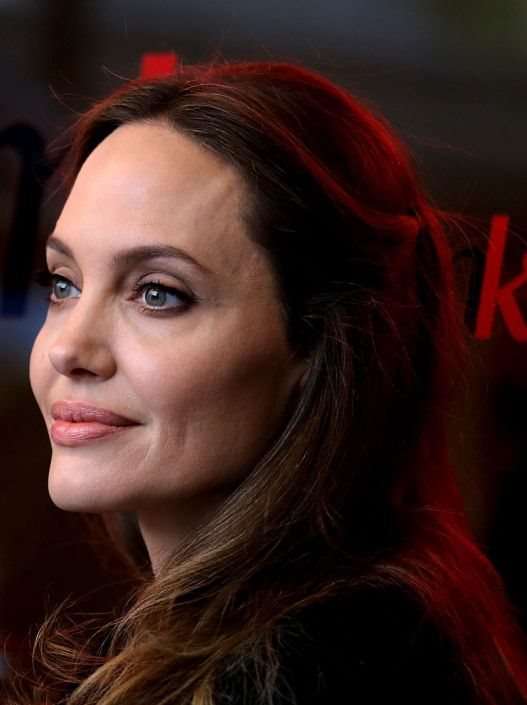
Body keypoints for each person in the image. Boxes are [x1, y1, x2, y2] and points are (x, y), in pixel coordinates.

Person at [6, 61, 527, 704]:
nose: (67, 349)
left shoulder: (326, 671)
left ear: (319, 344)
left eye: (158, 294)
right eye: (64, 284)